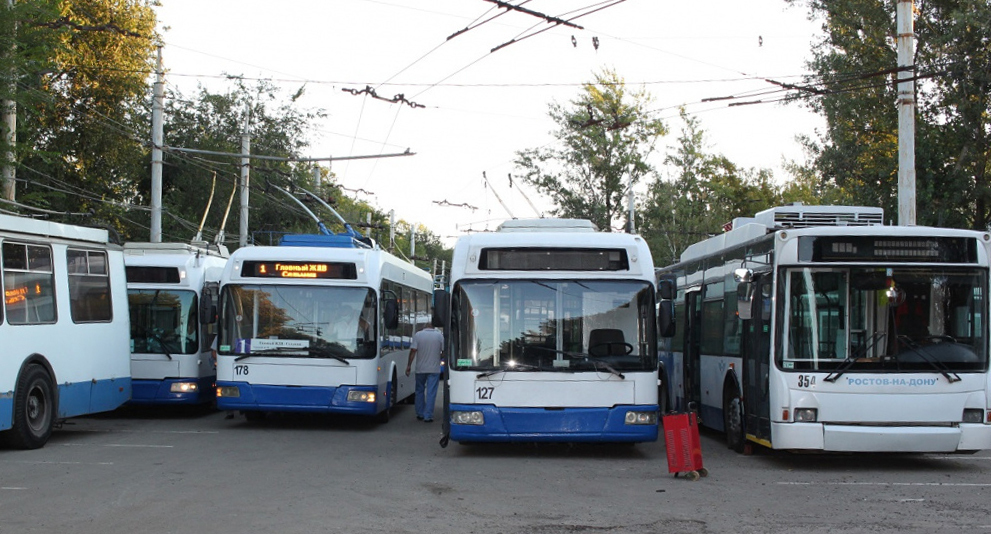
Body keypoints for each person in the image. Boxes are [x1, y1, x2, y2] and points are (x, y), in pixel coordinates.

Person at [405, 313, 444, 422]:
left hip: (420, 369)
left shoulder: (418, 335)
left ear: (424, 326)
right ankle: (428, 416)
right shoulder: (439, 336)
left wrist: (409, 365)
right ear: (433, 327)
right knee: (431, 392)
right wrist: (439, 357)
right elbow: (444, 351)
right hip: (434, 369)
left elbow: (413, 351)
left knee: (419, 391)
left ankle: (420, 413)